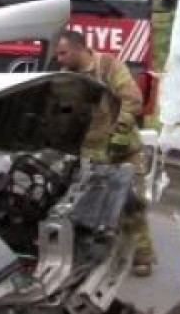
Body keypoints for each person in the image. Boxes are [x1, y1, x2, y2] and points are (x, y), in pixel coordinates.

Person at [54, 30, 156, 277]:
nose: (59, 59)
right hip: (90, 151)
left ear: (79, 49)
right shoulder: (68, 78)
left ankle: (142, 257)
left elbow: (132, 100)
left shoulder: (109, 66)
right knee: (88, 206)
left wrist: (119, 134)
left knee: (132, 203)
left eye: (63, 53)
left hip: (123, 149)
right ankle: (93, 257)